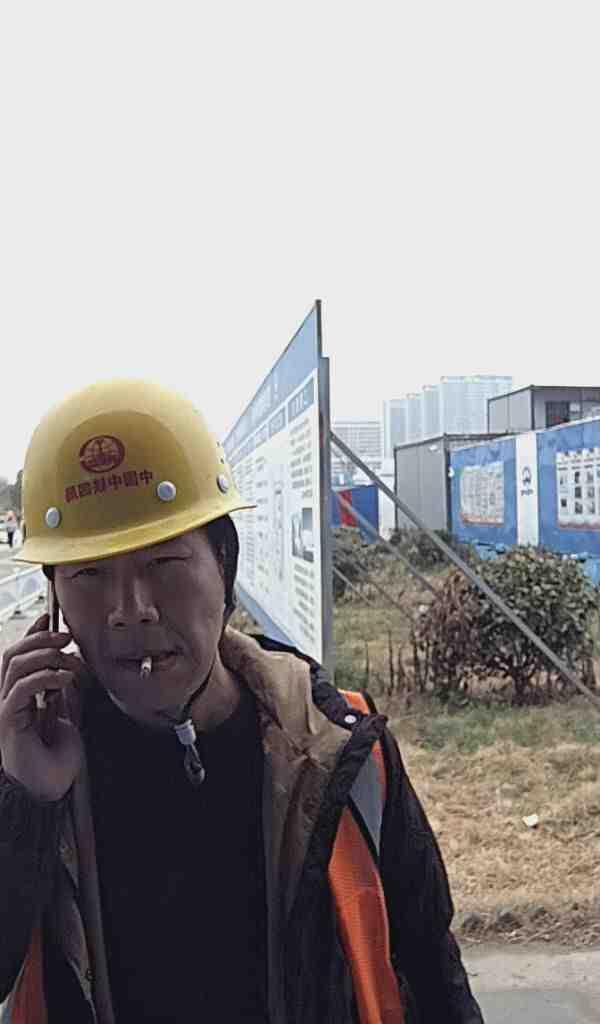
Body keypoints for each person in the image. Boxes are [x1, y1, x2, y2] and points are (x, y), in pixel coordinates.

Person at [0, 380, 484, 1023]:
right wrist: (25, 801)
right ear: (54, 600)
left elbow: (431, 968)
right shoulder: (24, 760)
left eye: (164, 564)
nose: (130, 610)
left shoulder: (341, 750)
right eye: (89, 574)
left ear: (224, 568)